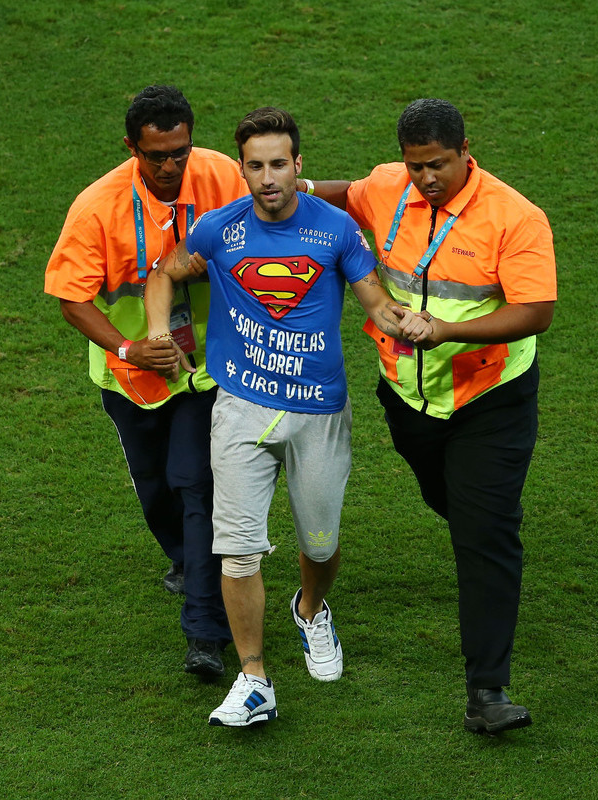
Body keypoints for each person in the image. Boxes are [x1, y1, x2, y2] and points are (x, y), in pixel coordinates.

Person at [144, 107, 429, 727]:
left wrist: (404, 323)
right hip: (241, 407)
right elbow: (165, 274)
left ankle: (310, 610)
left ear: (299, 166)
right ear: (241, 169)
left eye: (279, 164)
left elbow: (374, 301)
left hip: (318, 413)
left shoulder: (337, 230)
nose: (267, 177)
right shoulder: (221, 230)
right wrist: (157, 329)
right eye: (255, 166)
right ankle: (254, 679)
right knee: (238, 551)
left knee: (320, 543)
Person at [300, 98, 557, 734]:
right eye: (416, 166)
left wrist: (445, 330)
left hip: (489, 399)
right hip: (407, 399)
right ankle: (480, 518)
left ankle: (487, 691)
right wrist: (294, 186)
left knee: (484, 537)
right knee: (450, 502)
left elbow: (535, 311)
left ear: (467, 149)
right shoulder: (389, 186)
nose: (426, 179)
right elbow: (349, 194)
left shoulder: (515, 217)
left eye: (437, 165)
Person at [44, 85, 247, 679]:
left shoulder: (221, 176)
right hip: (132, 375)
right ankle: (190, 561)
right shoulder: (96, 206)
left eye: (180, 152)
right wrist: (130, 347)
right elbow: (72, 299)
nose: (170, 167)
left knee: (195, 483)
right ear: (131, 147)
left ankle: (204, 631)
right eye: (156, 155)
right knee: (155, 486)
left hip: (210, 366)